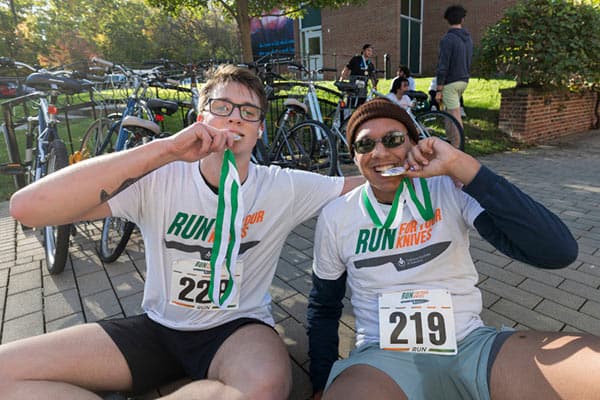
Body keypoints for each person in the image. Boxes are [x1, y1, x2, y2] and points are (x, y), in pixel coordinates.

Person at [1, 65, 363, 399]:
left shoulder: (282, 187)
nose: (236, 116)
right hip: (159, 328)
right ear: (199, 117)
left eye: (249, 112)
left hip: (236, 329)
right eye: (223, 106)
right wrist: (165, 150)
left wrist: (416, 168)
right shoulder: (160, 177)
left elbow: (363, 184)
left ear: (259, 130)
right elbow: (28, 208)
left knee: (265, 385)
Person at [307, 97, 600, 400]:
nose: (380, 152)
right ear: (354, 156)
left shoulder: (448, 188)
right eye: (365, 145)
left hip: (470, 346)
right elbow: (323, 306)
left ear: (415, 144)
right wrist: (320, 382)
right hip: (382, 358)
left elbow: (557, 250)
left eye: (393, 139)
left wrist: (462, 166)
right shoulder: (337, 215)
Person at [435, 5, 472, 127]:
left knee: (454, 117)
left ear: (447, 20)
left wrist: (439, 89)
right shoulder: (468, 39)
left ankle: (457, 145)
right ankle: (451, 143)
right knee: (449, 116)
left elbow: (443, 65)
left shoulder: (448, 39)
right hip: (464, 80)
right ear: (462, 20)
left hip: (451, 83)